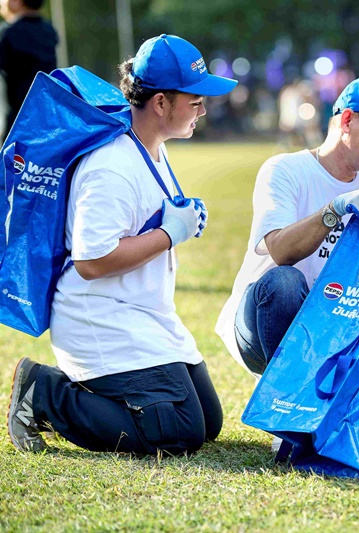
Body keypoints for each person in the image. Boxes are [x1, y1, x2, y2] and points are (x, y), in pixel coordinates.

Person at [7, 34, 237, 454]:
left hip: (141, 313)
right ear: (161, 103)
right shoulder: (111, 166)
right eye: (195, 101)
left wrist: (180, 218)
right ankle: (43, 391)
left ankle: (94, 396)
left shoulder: (151, 147)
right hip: (100, 318)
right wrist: (169, 233)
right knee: (178, 431)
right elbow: (92, 261)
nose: (203, 109)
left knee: (207, 422)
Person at [215, 74, 359, 378]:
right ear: (347, 121)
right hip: (260, 323)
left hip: (329, 327)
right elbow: (280, 251)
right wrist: (333, 210)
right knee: (285, 282)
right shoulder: (285, 170)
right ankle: (286, 394)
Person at [0, 0, 58, 140]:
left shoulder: (8, 32)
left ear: (17, 2)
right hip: (47, 114)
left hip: (18, 117)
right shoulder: (49, 31)